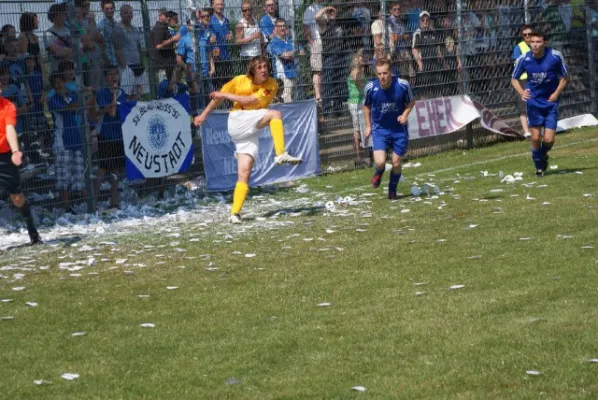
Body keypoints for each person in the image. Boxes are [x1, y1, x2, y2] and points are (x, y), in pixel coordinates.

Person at [193, 55, 302, 224]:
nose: (264, 70)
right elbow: (218, 97)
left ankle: (234, 213)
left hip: (250, 128)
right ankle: (280, 153)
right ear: (252, 70)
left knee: (245, 172)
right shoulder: (239, 81)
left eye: (265, 66)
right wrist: (203, 115)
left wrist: (224, 95)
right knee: (276, 114)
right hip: (238, 120)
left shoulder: (271, 84)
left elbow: (249, 100)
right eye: (259, 67)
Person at [511, 30, 568, 177]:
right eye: (532, 42)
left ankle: (540, 155)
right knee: (535, 138)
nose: (535, 45)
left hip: (550, 103)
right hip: (534, 103)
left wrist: (556, 94)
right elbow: (514, 79)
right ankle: (539, 168)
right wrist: (522, 92)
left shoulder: (555, 56)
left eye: (538, 42)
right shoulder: (524, 59)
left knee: (548, 139)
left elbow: (565, 77)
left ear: (545, 43)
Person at [363, 58, 416, 200]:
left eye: (385, 73)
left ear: (391, 72)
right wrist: (368, 125)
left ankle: (392, 190)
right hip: (380, 129)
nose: (382, 77)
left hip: (398, 129)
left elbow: (412, 101)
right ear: (376, 73)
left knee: (396, 162)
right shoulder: (370, 88)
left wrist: (405, 114)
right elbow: (366, 106)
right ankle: (379, 172)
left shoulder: (402, 85)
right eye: (379, 74)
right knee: (380, 162)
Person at [0, 65, 41, 244]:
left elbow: (10, 130)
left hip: (4, 156)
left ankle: (32, 230)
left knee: (17, 197)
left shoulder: (8, 106)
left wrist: (15, 151)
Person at [347, 49, 369, 168]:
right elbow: (356, 80)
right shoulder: (355, 70)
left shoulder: (361, 70)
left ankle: (362, 156)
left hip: (361, 102)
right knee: (357, 129)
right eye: (361, 57)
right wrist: (361, 85)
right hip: (356, 102)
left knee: (360, 128)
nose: (363, 58)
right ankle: (358, 157)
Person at [513, 24, 533, 139]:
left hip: (535, 78)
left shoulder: (537, 45)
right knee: (523, 105)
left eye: (529, 34)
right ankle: (526, 132)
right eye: (524, 35)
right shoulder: (519, 47)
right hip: (523, 80)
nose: (527, 36)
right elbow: (518, 63)